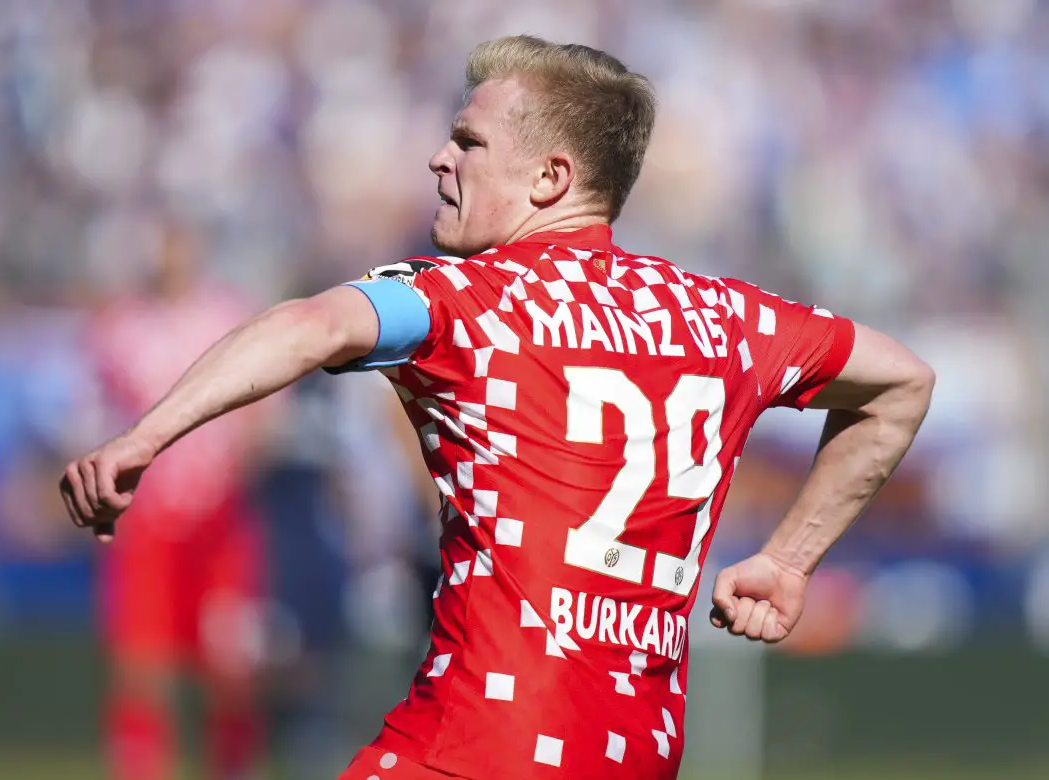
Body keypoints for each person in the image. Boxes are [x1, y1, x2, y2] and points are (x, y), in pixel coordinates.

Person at [60, 36, 935, 780]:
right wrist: (789, 561)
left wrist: (146, 436)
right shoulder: (727, 317)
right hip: (637, 752)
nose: (441, 160)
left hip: (474, 744)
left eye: (467, 142)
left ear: (551, 176)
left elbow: (308, 325)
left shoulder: (465, 302)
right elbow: (903, 382)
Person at [85, 218, 270, 780]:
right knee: (142, 666)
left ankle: (232, 766)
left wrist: (241, 471)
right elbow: (93, 418)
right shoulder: (119, 328)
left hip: (220, 521)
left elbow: (261, 414)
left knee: (230, 668)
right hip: (147, 525)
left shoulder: (228, 317)